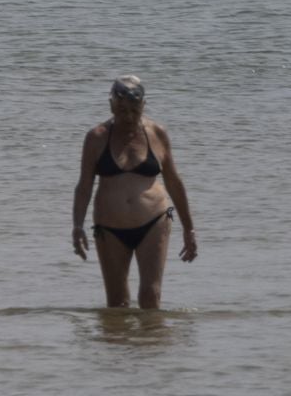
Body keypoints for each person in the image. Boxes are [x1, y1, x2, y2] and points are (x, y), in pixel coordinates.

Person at [71, 76, 198, 308]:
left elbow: (174, 182)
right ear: (111, 104)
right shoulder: (96, 138)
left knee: (151, 296)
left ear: (143, 106)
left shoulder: (157, 133)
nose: (128, 117)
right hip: (108, 227)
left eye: (134, 110)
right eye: (121, 110)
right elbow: (84, 186)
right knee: (117, 303)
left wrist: (189, 228)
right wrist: (77, 225)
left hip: (157, 220)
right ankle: (122, 344)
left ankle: (152, 343)